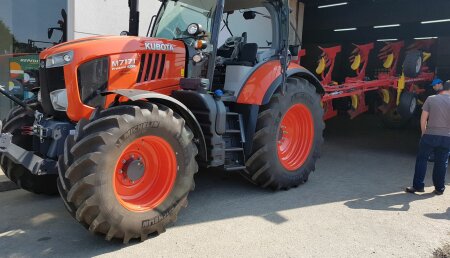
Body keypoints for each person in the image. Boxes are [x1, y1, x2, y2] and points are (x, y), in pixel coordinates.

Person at [406, 81, 450, 195]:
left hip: (430, 134)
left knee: (422, 160)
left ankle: (418, 186)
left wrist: (424, 132)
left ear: (443, 88)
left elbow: (423, 118)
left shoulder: (431, 98)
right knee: (441, 162)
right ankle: (439, 188)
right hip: (446, 137)